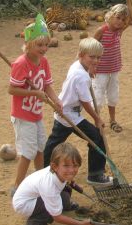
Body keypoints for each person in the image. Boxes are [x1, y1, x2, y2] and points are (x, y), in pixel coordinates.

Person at [43, 37, 113, 186]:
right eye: (92, 57)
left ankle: (44, 170)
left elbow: (84, 73)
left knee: (55, 141)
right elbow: (85, 103)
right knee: (96, 137)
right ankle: (95, 175)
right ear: (81, 54)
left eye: (98, 58)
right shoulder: (81, 76)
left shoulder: (77, 66)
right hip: (68, 114)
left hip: (66, 110)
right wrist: (97, 119)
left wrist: (90, 69)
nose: (95, 61)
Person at [8, 14, 61, 193]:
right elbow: (12, 90)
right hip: (22, 116)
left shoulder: (43, 62)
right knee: (28, 152)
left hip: (36, 114)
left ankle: (41, 181)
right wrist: (33, 92)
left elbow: (47, 85)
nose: (44, 48)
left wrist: (56, 100)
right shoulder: (21, 64)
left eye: (46, 44)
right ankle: (17, 186)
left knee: (40, 148)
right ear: (29, 44)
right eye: (39, 45)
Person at [13, 142, 94, 225]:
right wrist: (81, 224)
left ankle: (62, 205)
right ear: (55, 166)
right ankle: (34, 223)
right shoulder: (49, 185)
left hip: (36, 196)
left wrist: (69, 180)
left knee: (64, 194)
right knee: (51, 208)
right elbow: (57, 217)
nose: (72, 170)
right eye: (66, 166)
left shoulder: (57, 172)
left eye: (75, 165)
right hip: (24, 204)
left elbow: (66, 182)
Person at [92, 0, 132, 133]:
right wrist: (88, 67)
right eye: (118, 17)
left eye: (123, 20)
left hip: (114, 70)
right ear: (110, 16)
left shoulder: (119, 32)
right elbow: (90, 48)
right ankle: (97, 121)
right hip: (100, 71)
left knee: (112, 95)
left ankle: (113, 120)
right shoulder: (101, 31)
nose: (120, 21)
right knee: (98, 97)